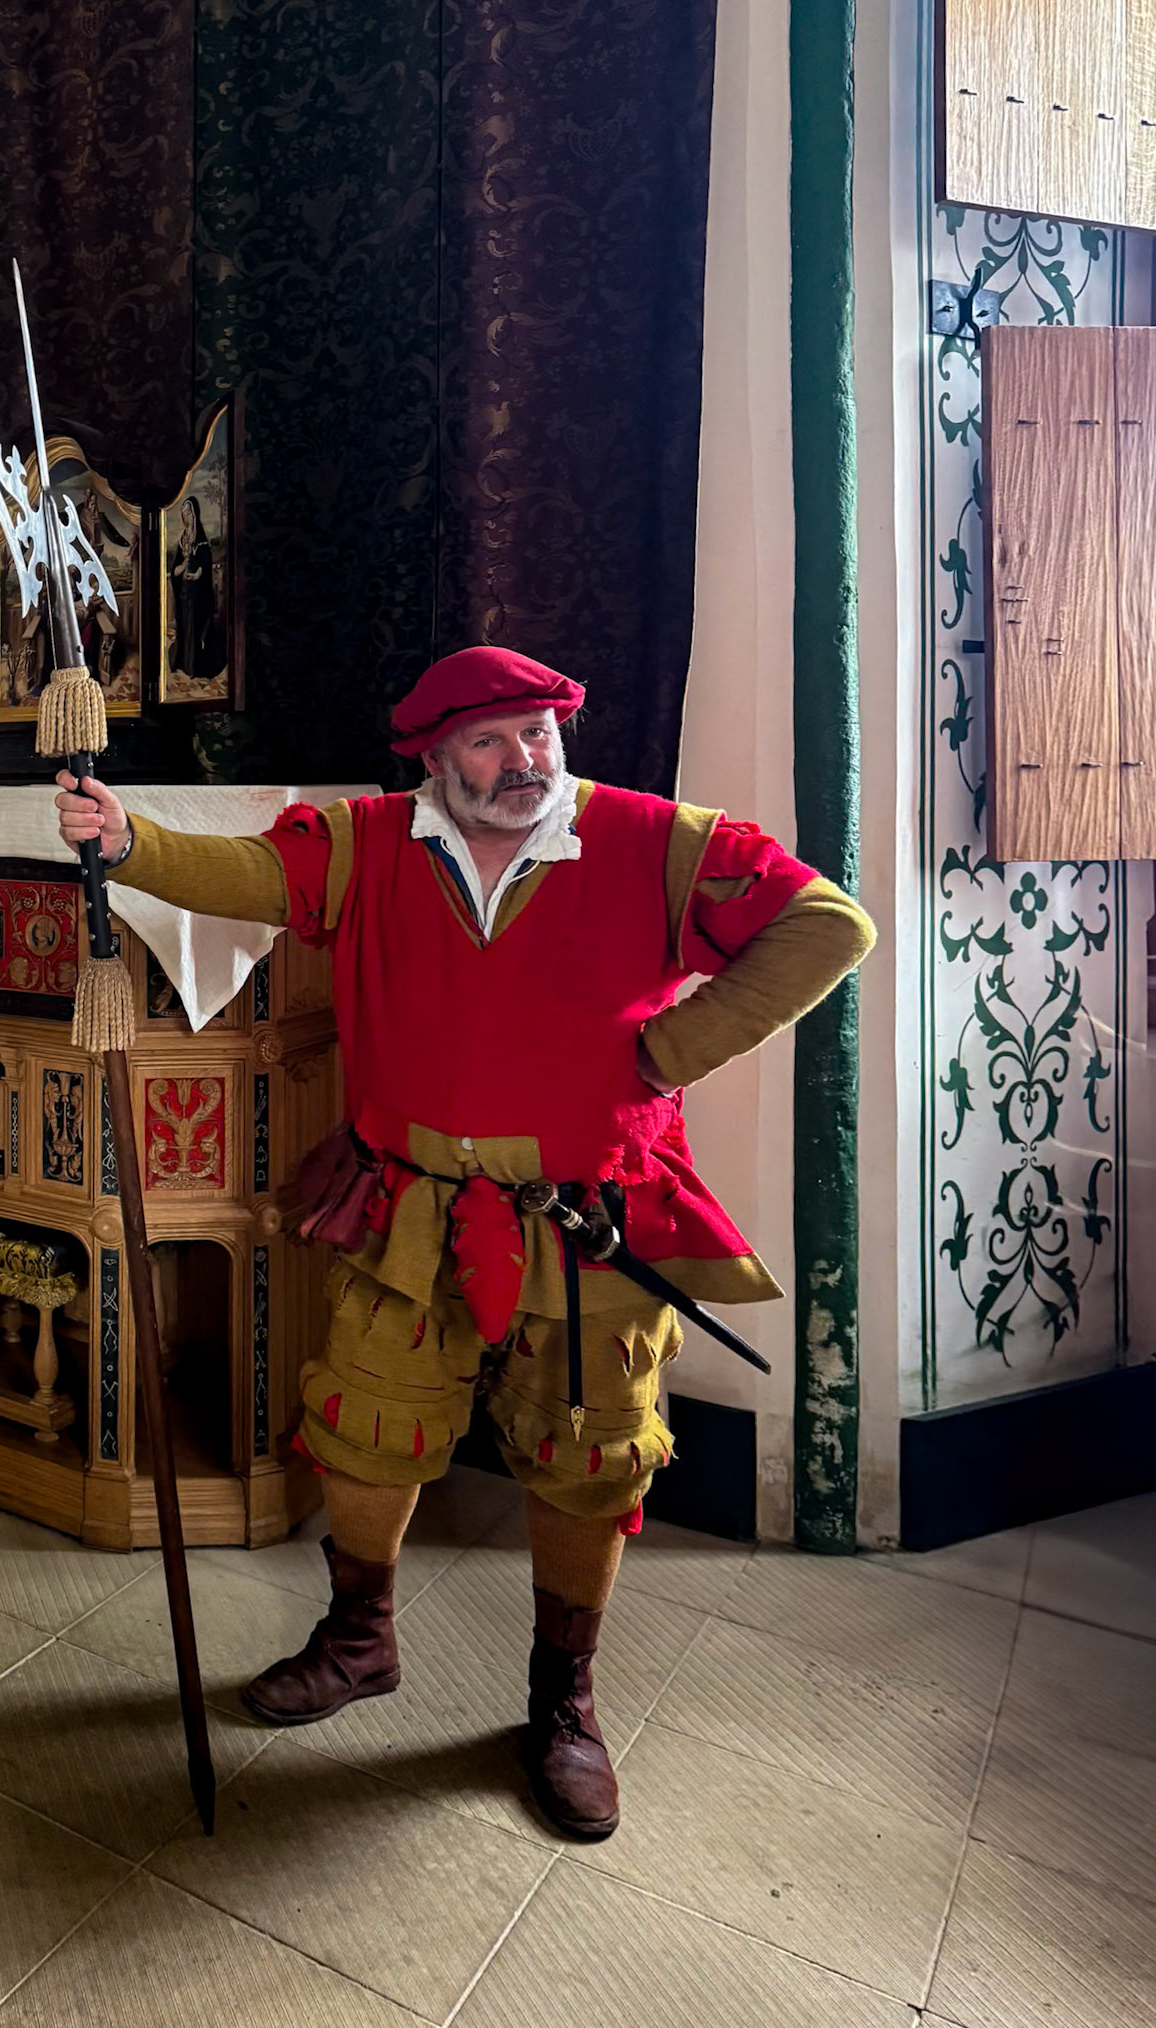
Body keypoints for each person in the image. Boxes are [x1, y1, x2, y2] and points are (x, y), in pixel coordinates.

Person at [54, 645, 875, 1840]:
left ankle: (563, 1699)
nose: (521, 759)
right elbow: (245, 874)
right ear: (435, 761)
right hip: (410, 1200)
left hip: (588, 1214)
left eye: (538, 732)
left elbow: (826, 922)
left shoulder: (654, 838)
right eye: (488, 741)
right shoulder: (368, 842)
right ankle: (359, 1636)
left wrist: (673, 1051)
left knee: (590, 1450)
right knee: (365, 1424)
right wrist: (127, 842)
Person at [168, 495, 222, 681]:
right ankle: (183, 662)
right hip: (183, 593)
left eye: (188, 513)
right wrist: (181, 568)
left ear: (194, 514)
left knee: (195, 627)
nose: (186, 517)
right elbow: (174, 570)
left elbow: (205, 564)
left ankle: (194, 666)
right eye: (183, 514)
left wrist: (197, 574)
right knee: (184, 626)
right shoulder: (182, 540)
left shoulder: (200, 538)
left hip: (197, 593)